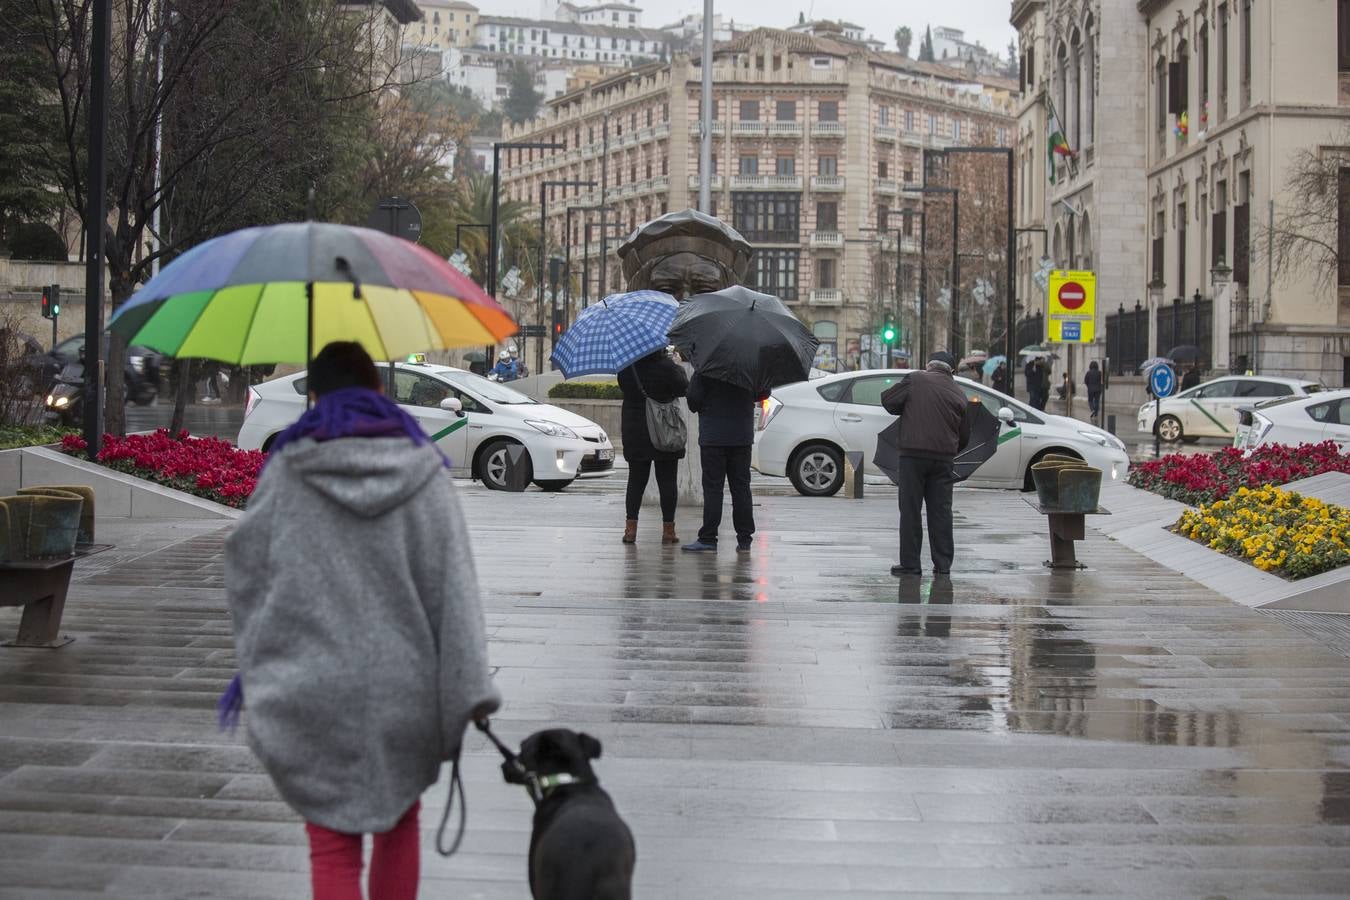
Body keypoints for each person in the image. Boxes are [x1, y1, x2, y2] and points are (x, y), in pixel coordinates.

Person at [223, 341, 498, 900]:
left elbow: (246, 573)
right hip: (407, 690)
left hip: (311, 686)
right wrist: (468, 691)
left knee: (331, 843)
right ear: (378, 393)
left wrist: (262, 659)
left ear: (315, 398)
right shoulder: (424, 474)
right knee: (400, 826)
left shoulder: (287, 474)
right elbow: (456, 593)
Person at [881, 350, 971, 577]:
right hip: (943, 460)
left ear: (928, 365)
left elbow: (889, 401)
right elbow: (965, 436)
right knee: (941, 512)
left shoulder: (915, 379)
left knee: (910, 510)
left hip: (913, 456)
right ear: (952, 371)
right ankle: (943, 565)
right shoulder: (959, 393)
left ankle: (910, 565)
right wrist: (947, 451)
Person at [618, 348, 689, 544]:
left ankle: (630, 530)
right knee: (667, 481)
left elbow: (624, 387)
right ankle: (668, 531)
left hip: (635, 430)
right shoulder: (667, 366)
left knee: (635, 481)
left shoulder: (627, 367)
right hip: (663, 429)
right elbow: (684, 388)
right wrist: (677, 366)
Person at [681, 371, 757, 553]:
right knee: (741, 487)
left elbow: (692, 400)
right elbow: (763, 392)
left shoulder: (706, 366)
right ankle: (745, 539)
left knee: (713, 488)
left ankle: (708, 538)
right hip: (741, 436)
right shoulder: (750, 363)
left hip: (713, 437)